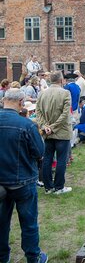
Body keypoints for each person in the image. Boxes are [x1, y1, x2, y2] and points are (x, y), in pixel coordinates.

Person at [0, 88, 47, 263]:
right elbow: (39, 152)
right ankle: (33, 257)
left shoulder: (25, 125)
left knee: (1, 223)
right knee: (28, 222)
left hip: (3, 181)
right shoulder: (26, 125)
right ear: (20, 103)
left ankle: (2, 257)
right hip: (23, 181)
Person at [36, 71, 72, 195]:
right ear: (61, 80)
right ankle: (58, 186)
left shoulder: (42, 93)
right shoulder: (65, 93)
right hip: (61, 131)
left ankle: (48, 187)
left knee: (47, 159)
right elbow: (65, 114)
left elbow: (38, 112)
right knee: (61, 159)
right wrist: (50, 126)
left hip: (48, 132)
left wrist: (45, 126)